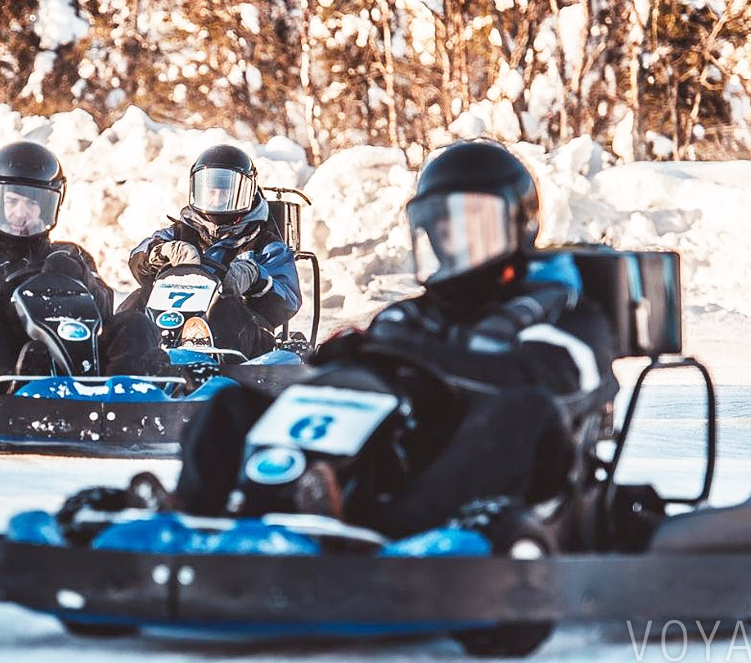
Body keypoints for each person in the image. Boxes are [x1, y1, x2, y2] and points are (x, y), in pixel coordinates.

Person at [168, 139, 619, 538]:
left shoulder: (570, 312)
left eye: (470, 218)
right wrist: (345, 356)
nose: (452, 232)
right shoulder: (412, 313)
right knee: (230, 404)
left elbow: (550, 379)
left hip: (506, 477)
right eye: (441, 220)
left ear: (516, 221)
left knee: (525, 408)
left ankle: (383, 534)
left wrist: (423, 357)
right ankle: (198, 517)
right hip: (397, 464)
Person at [0, 141, 166, 385]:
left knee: (135, 322)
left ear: (50, 205)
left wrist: (79, 278)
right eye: (11, 201)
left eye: (31, 203)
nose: (20, 213)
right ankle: (7, 389)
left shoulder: (70, 255)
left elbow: (106, 313)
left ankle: (127, 393)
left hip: (68, 354)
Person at [122, 145, 302, 357]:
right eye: (211, 192)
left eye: (225, 192)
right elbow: (137, 258)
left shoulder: (265, 244)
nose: (217, 200)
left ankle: (203, 363)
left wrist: (255, 277)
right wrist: (160, 253)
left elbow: (289, 299)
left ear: (246, 192)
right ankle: (121, 361)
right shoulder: (179, 233)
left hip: (240, 333)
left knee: (225, 308)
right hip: (174, 320)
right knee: (139, 299)